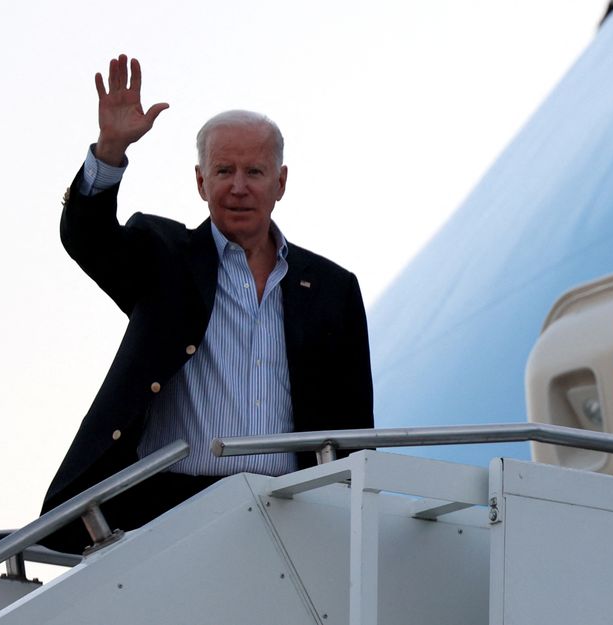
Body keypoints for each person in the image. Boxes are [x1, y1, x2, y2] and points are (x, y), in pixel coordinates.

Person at [41, 54, 374, 553]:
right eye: (224, 171)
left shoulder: (332, 287)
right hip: (168, 510)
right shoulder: (163, 255)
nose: (239, 187)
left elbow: (354, 430)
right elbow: (87, 237)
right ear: (201, 182)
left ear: (280, 182)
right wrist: (110, 151)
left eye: (254, 171)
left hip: (293, 513)